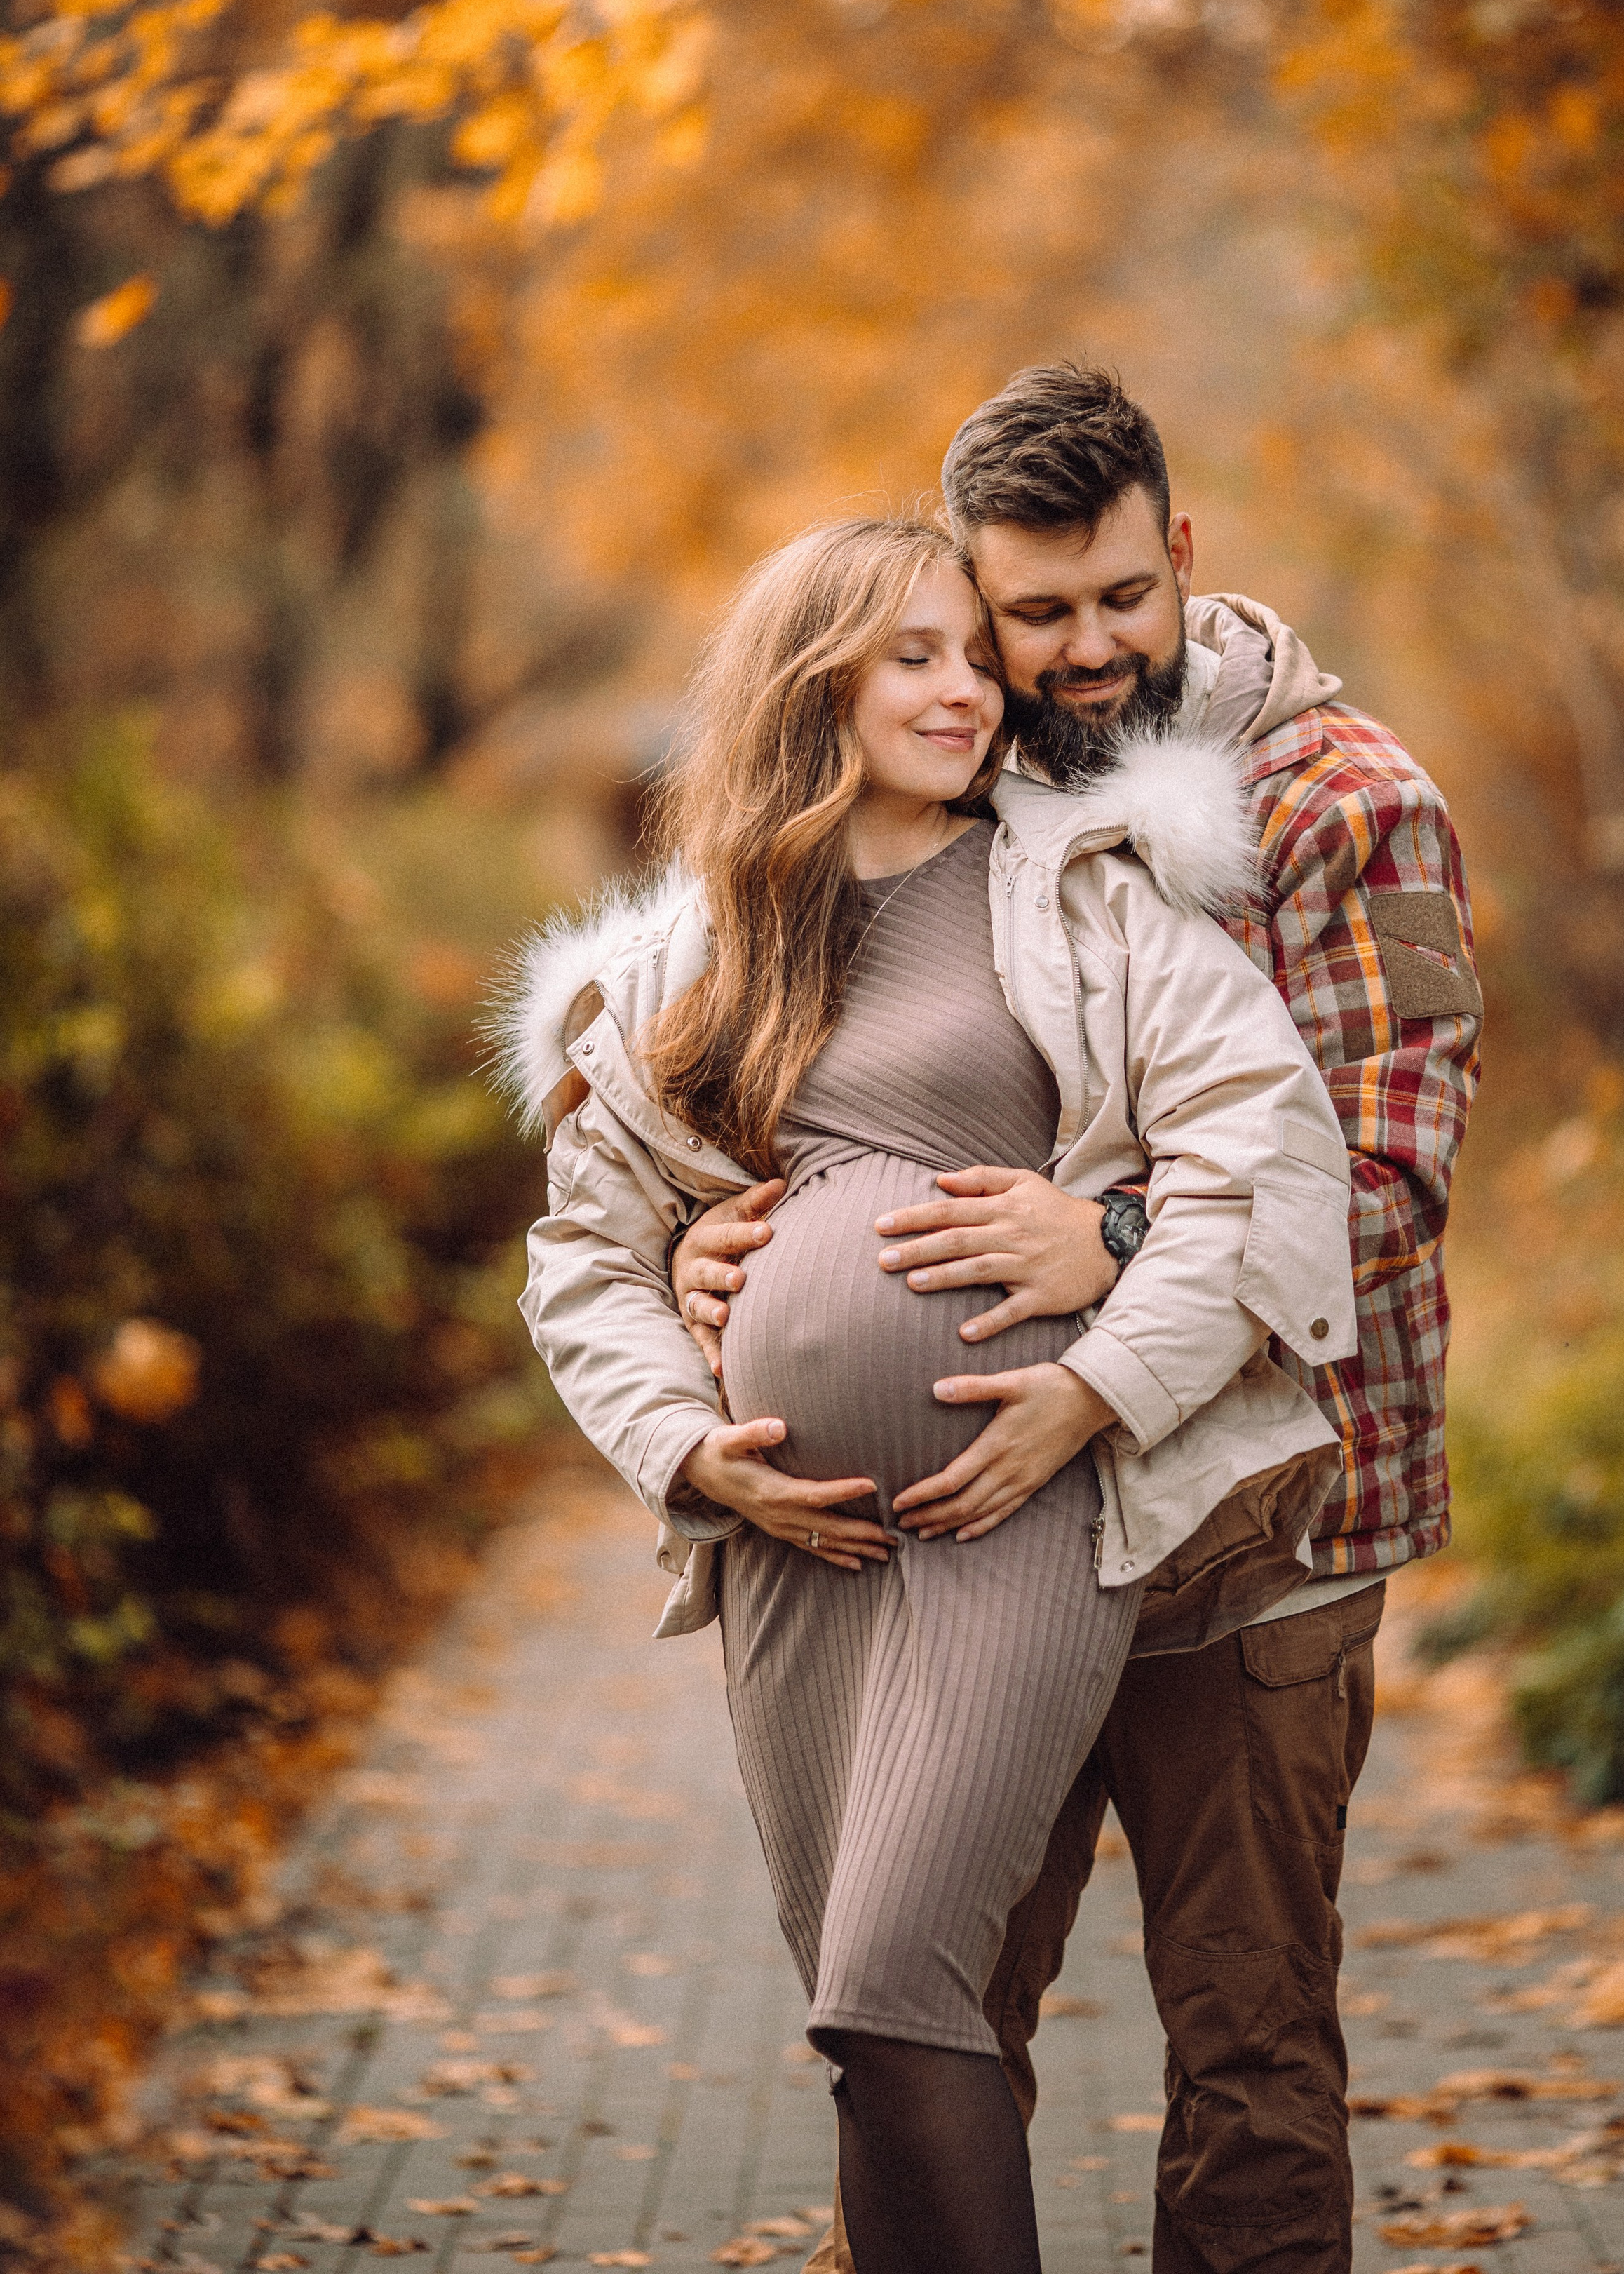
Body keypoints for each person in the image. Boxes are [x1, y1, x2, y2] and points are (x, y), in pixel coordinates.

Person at [675, 370, 1483, 2274]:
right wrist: (723, 1244)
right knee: (928, 2013)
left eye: (1122, 595)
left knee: (1249, 2039)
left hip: (1259, 1541)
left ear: (1180, 550)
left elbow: (1381, 1182)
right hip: (991, 1535)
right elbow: (842, 1068)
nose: (1084, 646)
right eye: (1033, 612)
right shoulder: (975, 768)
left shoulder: (1346, 801)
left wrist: (1106, 1237)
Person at [494, 513, 1358, 2274]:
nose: (968, 688)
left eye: (976, 655)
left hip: (1015, 1510)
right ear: (812, 676)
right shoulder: (698, 951)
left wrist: (1097, 1388)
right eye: (917, 655)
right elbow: (582, 1250)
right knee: (864, 2028)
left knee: (895, 1981)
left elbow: (1267, 1152)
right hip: (793, 1555)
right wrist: (691, 1453)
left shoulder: (1083, 889)